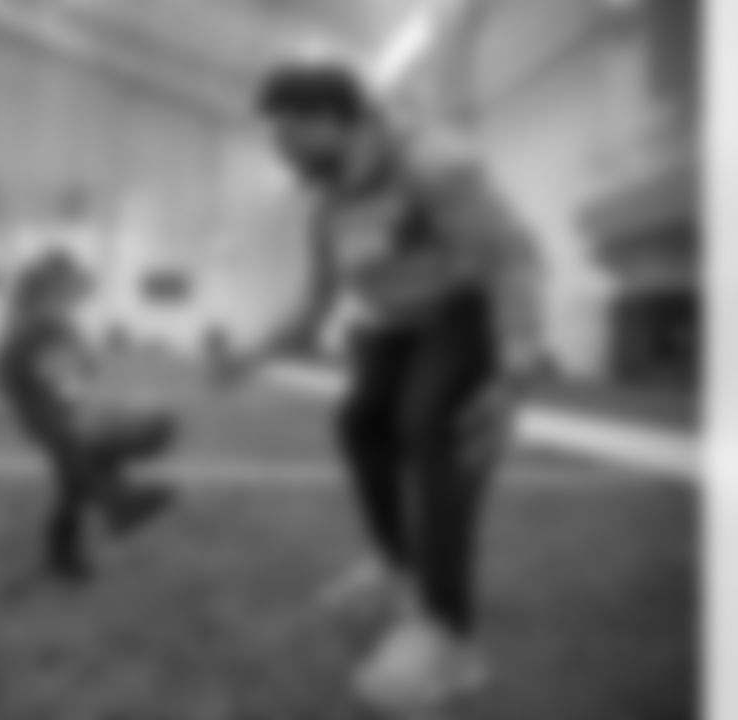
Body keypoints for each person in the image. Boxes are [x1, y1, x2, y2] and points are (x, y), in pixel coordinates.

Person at [223, 62, 546, 712]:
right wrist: (250, 354)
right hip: (398, 324)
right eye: (274, 139)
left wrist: (514, 375)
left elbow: (515, 259)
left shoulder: (435, 164)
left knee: (430, 423)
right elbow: (315, 304)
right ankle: (399, 571)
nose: (280, 152)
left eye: (289, 135)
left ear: (334, 121)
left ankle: (449, 639)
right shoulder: (327, 205)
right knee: (360, 422)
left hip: (467, 311)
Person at [0, 248, 178, 583]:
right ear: (53, 286)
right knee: (89, 456)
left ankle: (70, 551)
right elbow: (40, 372)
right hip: (52, 418)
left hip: (56, 414)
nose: (78, 294)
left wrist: (77, 369)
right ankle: (116, 503)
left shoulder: (43, 318)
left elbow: (68, 369)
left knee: (74, 487)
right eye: (69, 286)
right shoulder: (39, 321)